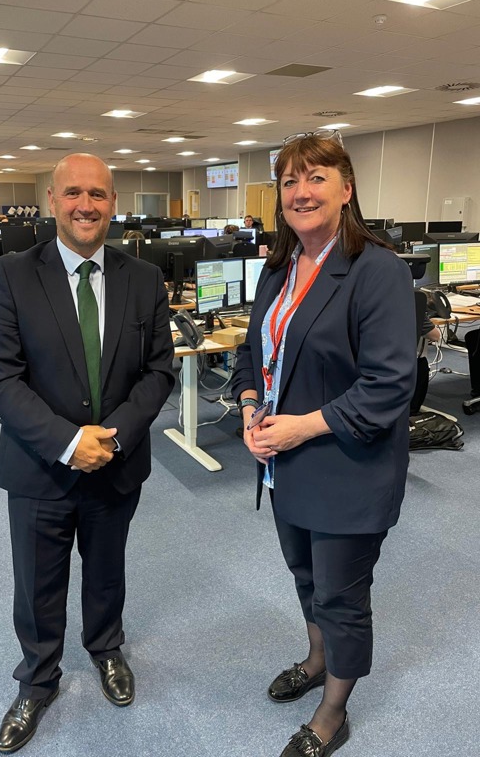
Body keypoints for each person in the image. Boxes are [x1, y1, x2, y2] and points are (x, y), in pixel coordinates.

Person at [0, 153, 175, 753]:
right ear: (51, 200)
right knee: (37, 582)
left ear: (113, 203)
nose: (85, 205)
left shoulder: (142, 278)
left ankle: (106, 649)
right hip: (40, 464)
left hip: (116, 461)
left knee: (107, 568)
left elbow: (160, 372)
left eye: (97, 194)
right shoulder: (11, 274)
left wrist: (109, 436)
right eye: (72, 194)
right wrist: (68, 442)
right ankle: (37, 679)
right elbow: (1, 379)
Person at [231, 131, 416, 757]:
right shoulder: (279, 266)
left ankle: (334, 712)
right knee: (305, 575)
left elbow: (390, 386)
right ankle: (315, 660)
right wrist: (252, 405)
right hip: (287, 466)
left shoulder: (377, 270)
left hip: (346, 466)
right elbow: (254, 352)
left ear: (346, 187)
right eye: (289, 180)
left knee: (341, 594)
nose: (301, 191)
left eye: (316, 177)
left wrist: (301, 424)